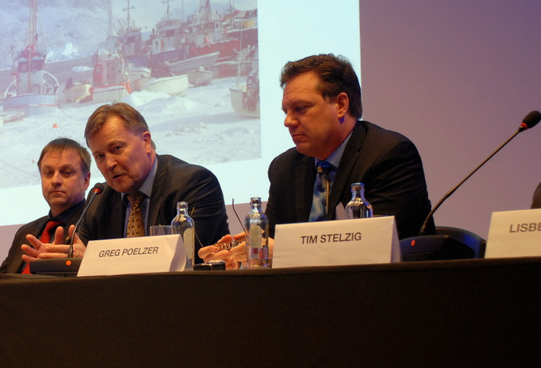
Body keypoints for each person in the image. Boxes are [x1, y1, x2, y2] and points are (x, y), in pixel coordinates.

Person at [201, 53, 433, 268]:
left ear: (341, 105)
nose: (288, 121)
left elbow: (381, 249)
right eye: (286, 112)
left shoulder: (388, 155)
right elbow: (269, 241)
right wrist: (241, 254)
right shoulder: (285, 168)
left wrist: (282, 250)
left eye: (300, 109)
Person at [23, 102, 230, 262]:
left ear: (146, 142)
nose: (109, 164)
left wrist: (95, 261)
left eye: (116, 149)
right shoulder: (99, 199)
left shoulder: (194, 184)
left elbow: (186, 259)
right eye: (100, 156)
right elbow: (81, 258)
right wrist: (65, 261)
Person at [0, 138, 91, 276]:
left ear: (86, 180)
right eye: (48, 173)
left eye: (66, 172)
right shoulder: (26, 232)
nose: (55, 180)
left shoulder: (95, 224)